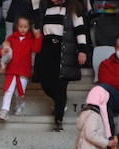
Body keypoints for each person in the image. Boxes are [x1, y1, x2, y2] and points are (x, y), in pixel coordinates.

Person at [33, 0, 89, 133]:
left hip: (64, 52)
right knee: (46, 84)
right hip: (47, 51)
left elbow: (80, 30)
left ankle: (58, 120)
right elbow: (38, 26)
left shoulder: (73, 10)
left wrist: (82, 50)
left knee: (60, 86)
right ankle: (60, 102)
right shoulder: (45, 8)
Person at [0, 14, 40, 122]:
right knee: (8, 90)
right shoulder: (11, 38)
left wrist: (38, 37)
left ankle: (20, 106)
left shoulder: (31, 39)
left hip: (24, 71)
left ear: (29, 27)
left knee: (19, 92)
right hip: (12, 70)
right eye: (21, 26)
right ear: (17, 26)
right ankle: (4, 110)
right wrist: (2, 51)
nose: (23, 29)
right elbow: (3, 51)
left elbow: (36, 48)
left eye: (25, 27)